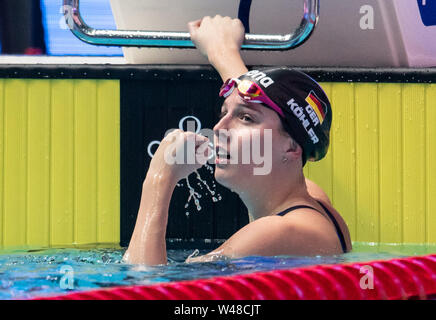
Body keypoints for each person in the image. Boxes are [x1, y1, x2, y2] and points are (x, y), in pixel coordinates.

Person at [123, 16, 351, 265]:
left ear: (292, 147)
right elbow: (267, 106)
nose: (219, 127)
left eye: (244, 118)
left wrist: (159, 178)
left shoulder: (278, 232)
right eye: (224, 113)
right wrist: (221, 50)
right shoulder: (310, 200)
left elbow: (148, 289)